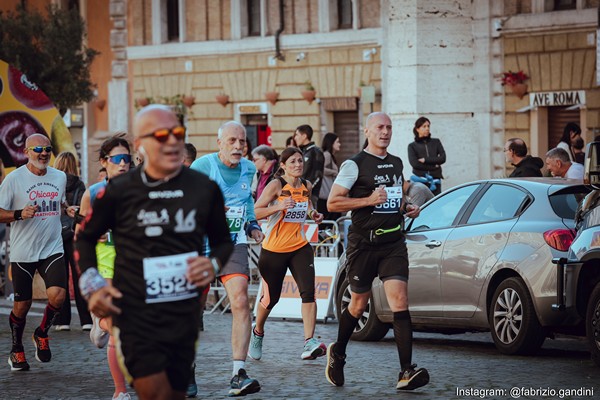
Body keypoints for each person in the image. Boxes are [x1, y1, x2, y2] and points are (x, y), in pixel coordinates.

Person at [75, 105, 234, 400]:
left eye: (177, 134)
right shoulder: (121, 190)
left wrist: (213, 264)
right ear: (141, 145)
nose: (171, 141)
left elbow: (224, 241)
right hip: (136, 311)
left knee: (174, 393)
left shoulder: (203, 188)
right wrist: (92, 285)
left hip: (182, 311)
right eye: (161, 135)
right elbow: (84, 239)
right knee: (153, 391)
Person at [325, 112, 429, 391]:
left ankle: (406, 371)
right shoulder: (354, 164)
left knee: (400, 300)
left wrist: (407, 206)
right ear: (367, 131)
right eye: (380, 127)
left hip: (393, 242)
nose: (385, 132)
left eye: (389, 127)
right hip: (363, 244)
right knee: (358, 304)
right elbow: (333, 204)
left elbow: (396, 196)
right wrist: (368, 200)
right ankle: (338, 353)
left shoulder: (395, 162)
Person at [190, 121, 262, 397]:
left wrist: (253, 225)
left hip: (232, 243)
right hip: (201, 246)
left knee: (242, 301)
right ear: (219, 142)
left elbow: (246, 203)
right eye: (231, 141)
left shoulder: (249, 168)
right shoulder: (203, 167)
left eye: (241, 142)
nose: (237, 147)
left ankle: (238, 373)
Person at [0, 133, 78, 371]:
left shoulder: (60, 177)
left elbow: (59, 203)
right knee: (22, 306)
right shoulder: (13, 180)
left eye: (47, 148)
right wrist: (18, 214)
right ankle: (16, 349)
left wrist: (68, 209)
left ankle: (41, 332)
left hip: (52, 247)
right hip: (23, 252)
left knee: (58, 296)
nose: (44, 153)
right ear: (26, 152)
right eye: (38, 149)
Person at [249, 147, 327, 362]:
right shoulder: (276, 185)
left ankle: (309, 342)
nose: (297, 165)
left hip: (300, 246)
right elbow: (254, 211)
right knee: (270, 298)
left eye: (300, 161)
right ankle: (258, 331)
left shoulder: (306, 185)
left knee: (308, 293)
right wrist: (279, 206)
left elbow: (308, 205)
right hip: (273, 250)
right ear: (282, 165)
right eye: (292, 161)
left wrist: (314, 214)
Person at [77, 135, 133, 400]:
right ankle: (120, 391)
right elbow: (81, 234)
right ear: (104, 162)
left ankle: (100, 323)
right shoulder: (94, 193)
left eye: (127, 159)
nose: (123, 164)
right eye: (117, 159)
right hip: (104, 267)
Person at [52, 151, 91, 332]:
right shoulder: (80, 184)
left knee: (60, 278)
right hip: (74, 234)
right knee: (78, 277)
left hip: (55, 235)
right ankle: (86, 320)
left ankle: (62, 321)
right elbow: (84, 211)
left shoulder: (52, 183)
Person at [407, 117, 446, 195]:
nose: (427, 128)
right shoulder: (412, 146)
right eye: (424, 126)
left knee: (437, 204)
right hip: (419, 181)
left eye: (428, 126)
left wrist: (426, 160)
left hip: (435, 181)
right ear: (417, 129)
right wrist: (434, 166)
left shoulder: (436, 142)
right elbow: (415, 164)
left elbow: (443, 158)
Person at [294, 124, 324, 206]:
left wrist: (306, 191)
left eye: (297, 135)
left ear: (304, 136)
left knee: (308, 219)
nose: (295, 138)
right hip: (296, 195)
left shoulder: (316, 152)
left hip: (309, 197)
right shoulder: (302, 152)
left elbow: (317, 176)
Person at [318, 133, 341, 221]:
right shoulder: (327, 155)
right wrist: (335, 172)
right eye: (337, 142)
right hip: (325, 194)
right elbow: (321, 169)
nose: (339, 144)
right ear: (331, 143)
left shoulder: (330, 156)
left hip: (327, 193)